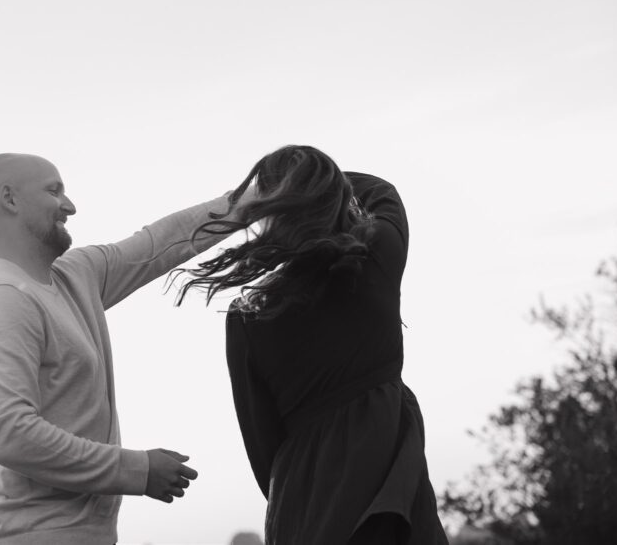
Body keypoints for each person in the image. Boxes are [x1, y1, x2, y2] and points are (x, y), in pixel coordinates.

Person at [0, 153, 246, 545]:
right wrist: (137, 469)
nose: (70, 206)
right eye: (53, 190)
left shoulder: (77, 275)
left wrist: (254, 198)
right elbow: (9, 434)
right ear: (10, 199)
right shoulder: (1, 299)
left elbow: (159, 243)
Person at [175, 145, 449, 545]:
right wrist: (317, 183)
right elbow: (382, 191)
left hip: (303, 498)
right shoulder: (376, 255)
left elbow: (263, 447)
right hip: (383, 473)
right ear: (337, 197)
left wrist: (282, 193)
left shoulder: (247, 315)